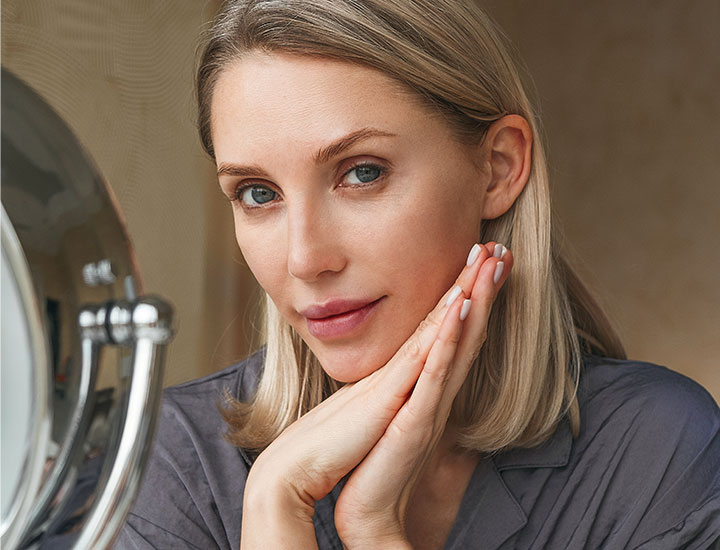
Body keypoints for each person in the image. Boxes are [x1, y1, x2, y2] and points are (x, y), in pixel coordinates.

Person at [116, 1, 720, 548]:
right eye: (256, 192)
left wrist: (373, 530)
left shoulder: (653, 451)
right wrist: (276, 504)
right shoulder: (168, 463)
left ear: (498, 168)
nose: (304, 259)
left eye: (362, 173)